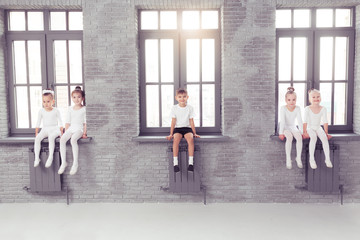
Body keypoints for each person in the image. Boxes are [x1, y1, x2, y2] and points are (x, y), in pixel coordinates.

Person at [166, 88, 200, 172]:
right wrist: (171, 134)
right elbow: (173, 122)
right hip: (178, 129)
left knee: (191, 140)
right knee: (176, 140)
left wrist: (194, 133)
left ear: (187, 97)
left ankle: (191, 163)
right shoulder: (174, 108)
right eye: (180, 97)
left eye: (184, 96)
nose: (182, 98)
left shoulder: (190, 108)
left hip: (187, 128)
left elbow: (191, 121)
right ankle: (175, 164)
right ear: (176, 98)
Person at [58, 86, 87, 175]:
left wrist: (84, 133)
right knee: (62, 140)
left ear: (82, 98)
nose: (76, 99)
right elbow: (67, 122)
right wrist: (66, 132)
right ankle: (63, 163)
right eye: (74, 97)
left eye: (79, 97)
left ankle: (75, 163)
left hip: (79, 129)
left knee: (73, 140)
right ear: (72, 98)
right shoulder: (70, 109)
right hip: (71, 128)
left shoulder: (84, 109)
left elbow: (85, 123)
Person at [303, 89, 332, 169]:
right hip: (310, 127)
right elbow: (304, 121)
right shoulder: (307, 109)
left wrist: (326, 133)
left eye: (318, 96)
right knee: (314, 137)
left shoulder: (323, 109)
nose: (316, 98)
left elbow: (325, 121)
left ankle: (327, 159)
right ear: (310, 99)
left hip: (318, 127)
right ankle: (311, 159)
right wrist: (304, 132)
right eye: (313, 97)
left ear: (321, 97)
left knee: (324, 139)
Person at [34, 89, 63, 168]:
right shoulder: (41, 111)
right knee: (37, 139)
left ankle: (50, 157)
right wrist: (36, 133)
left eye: (48, 101)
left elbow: (60, 122)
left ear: (53, 101)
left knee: (51, 137)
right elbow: (38, 122)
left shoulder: (56, 110)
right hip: (45, 129)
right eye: (44, 102)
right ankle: (37, 158)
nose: (46, 104)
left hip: (54, 129)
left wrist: (61, 132)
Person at [278, 87, 303, 169]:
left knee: (299, 138)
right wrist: (281, 133)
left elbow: (299, 121)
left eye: (293, 100)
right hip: (284, 126)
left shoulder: (298, 108)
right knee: (289, 137)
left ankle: (298, 158)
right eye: (289, 100)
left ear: (296, 100)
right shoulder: (283, 108)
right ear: (286, 100)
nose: (291, 102)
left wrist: (302, 132)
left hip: (292, 126)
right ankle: (288, 159)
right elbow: (283, 121)